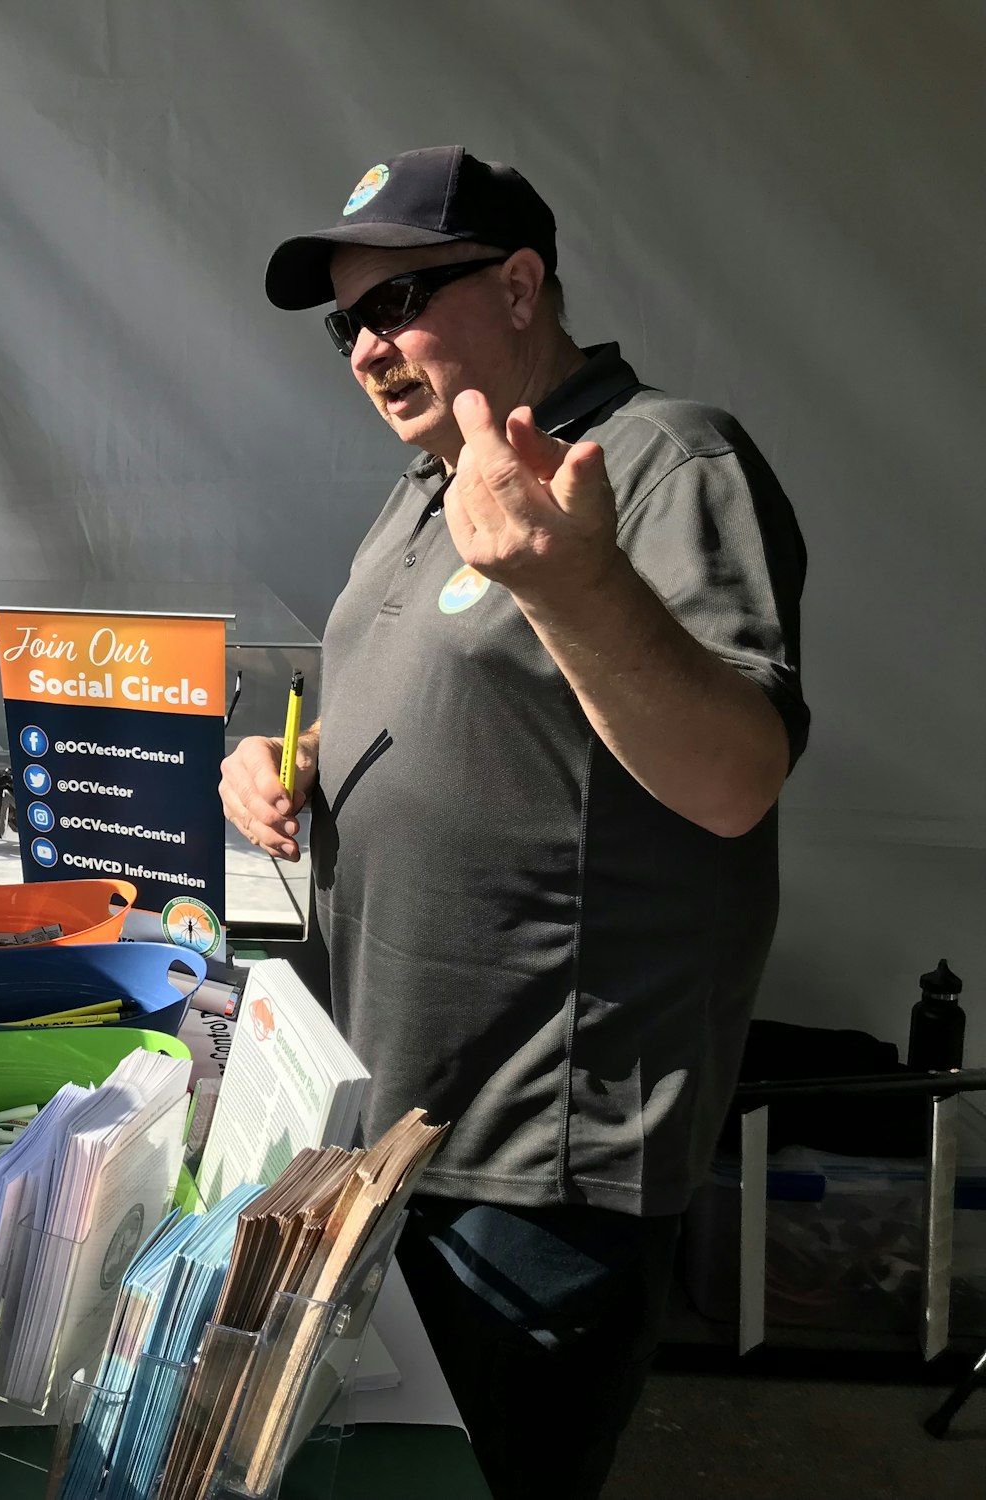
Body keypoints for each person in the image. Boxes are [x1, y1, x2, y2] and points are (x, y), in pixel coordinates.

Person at [222, 146, 807, 1500]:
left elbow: (736, 777)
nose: (368, 344)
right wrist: (282, 764)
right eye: (346, 321)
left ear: (524, 282)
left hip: (537, 1171)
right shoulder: (430, 485)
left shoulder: (660, 460)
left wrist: (571, 582)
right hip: (395, 1129)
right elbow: (451, 717)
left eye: (403, 298)